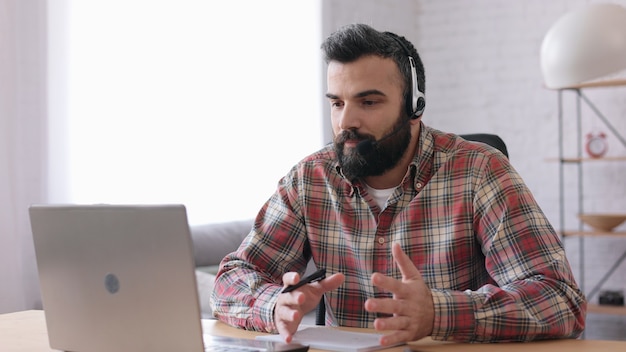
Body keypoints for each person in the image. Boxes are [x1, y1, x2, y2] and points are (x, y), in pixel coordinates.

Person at [210, 23, 586, 345]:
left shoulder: (479, 171)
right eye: (337, 103)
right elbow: (231, 280)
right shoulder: (310, 180)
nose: (346, 122)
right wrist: (274, 304)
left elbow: (560, 299)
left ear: (413, 107)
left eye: (368, 102)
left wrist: (438, 313)